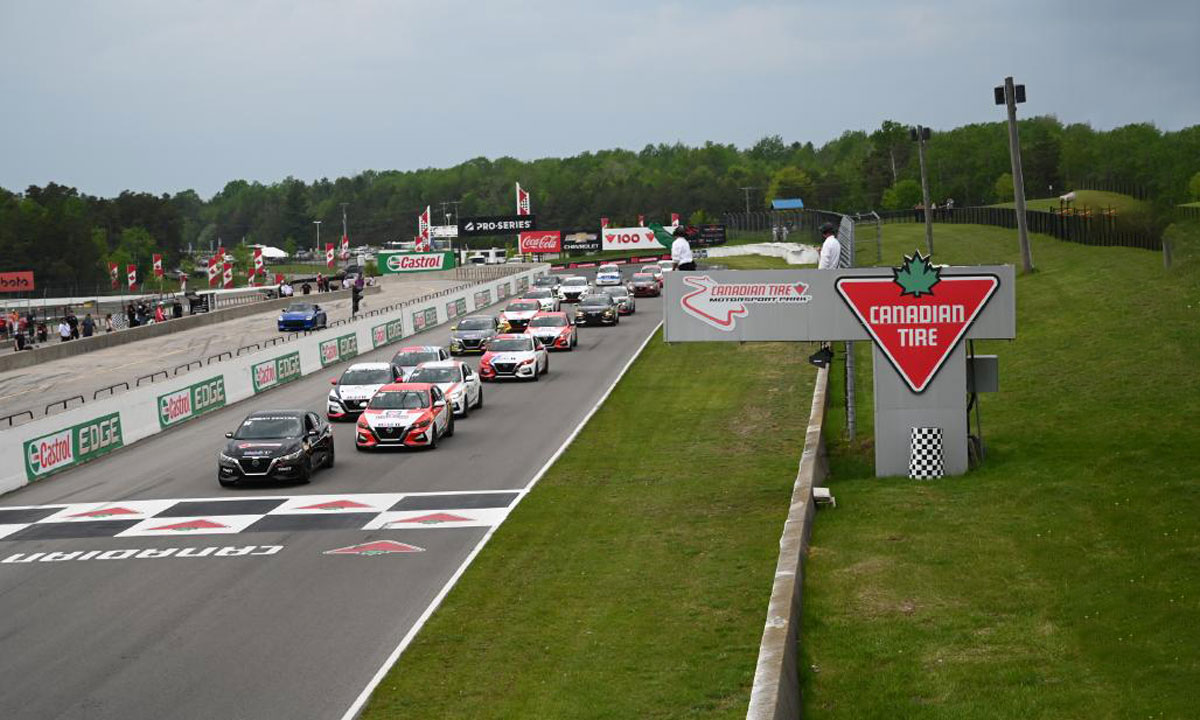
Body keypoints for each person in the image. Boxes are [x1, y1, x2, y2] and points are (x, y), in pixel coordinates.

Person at [810, 222, 842, 368]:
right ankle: (825, 347)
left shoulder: (828, 244)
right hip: (832, 276)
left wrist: (818, 280)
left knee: (821, 312)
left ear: (824, 233)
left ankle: (824, 349)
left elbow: (824, 264)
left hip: (825, 279)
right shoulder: (836, 243)